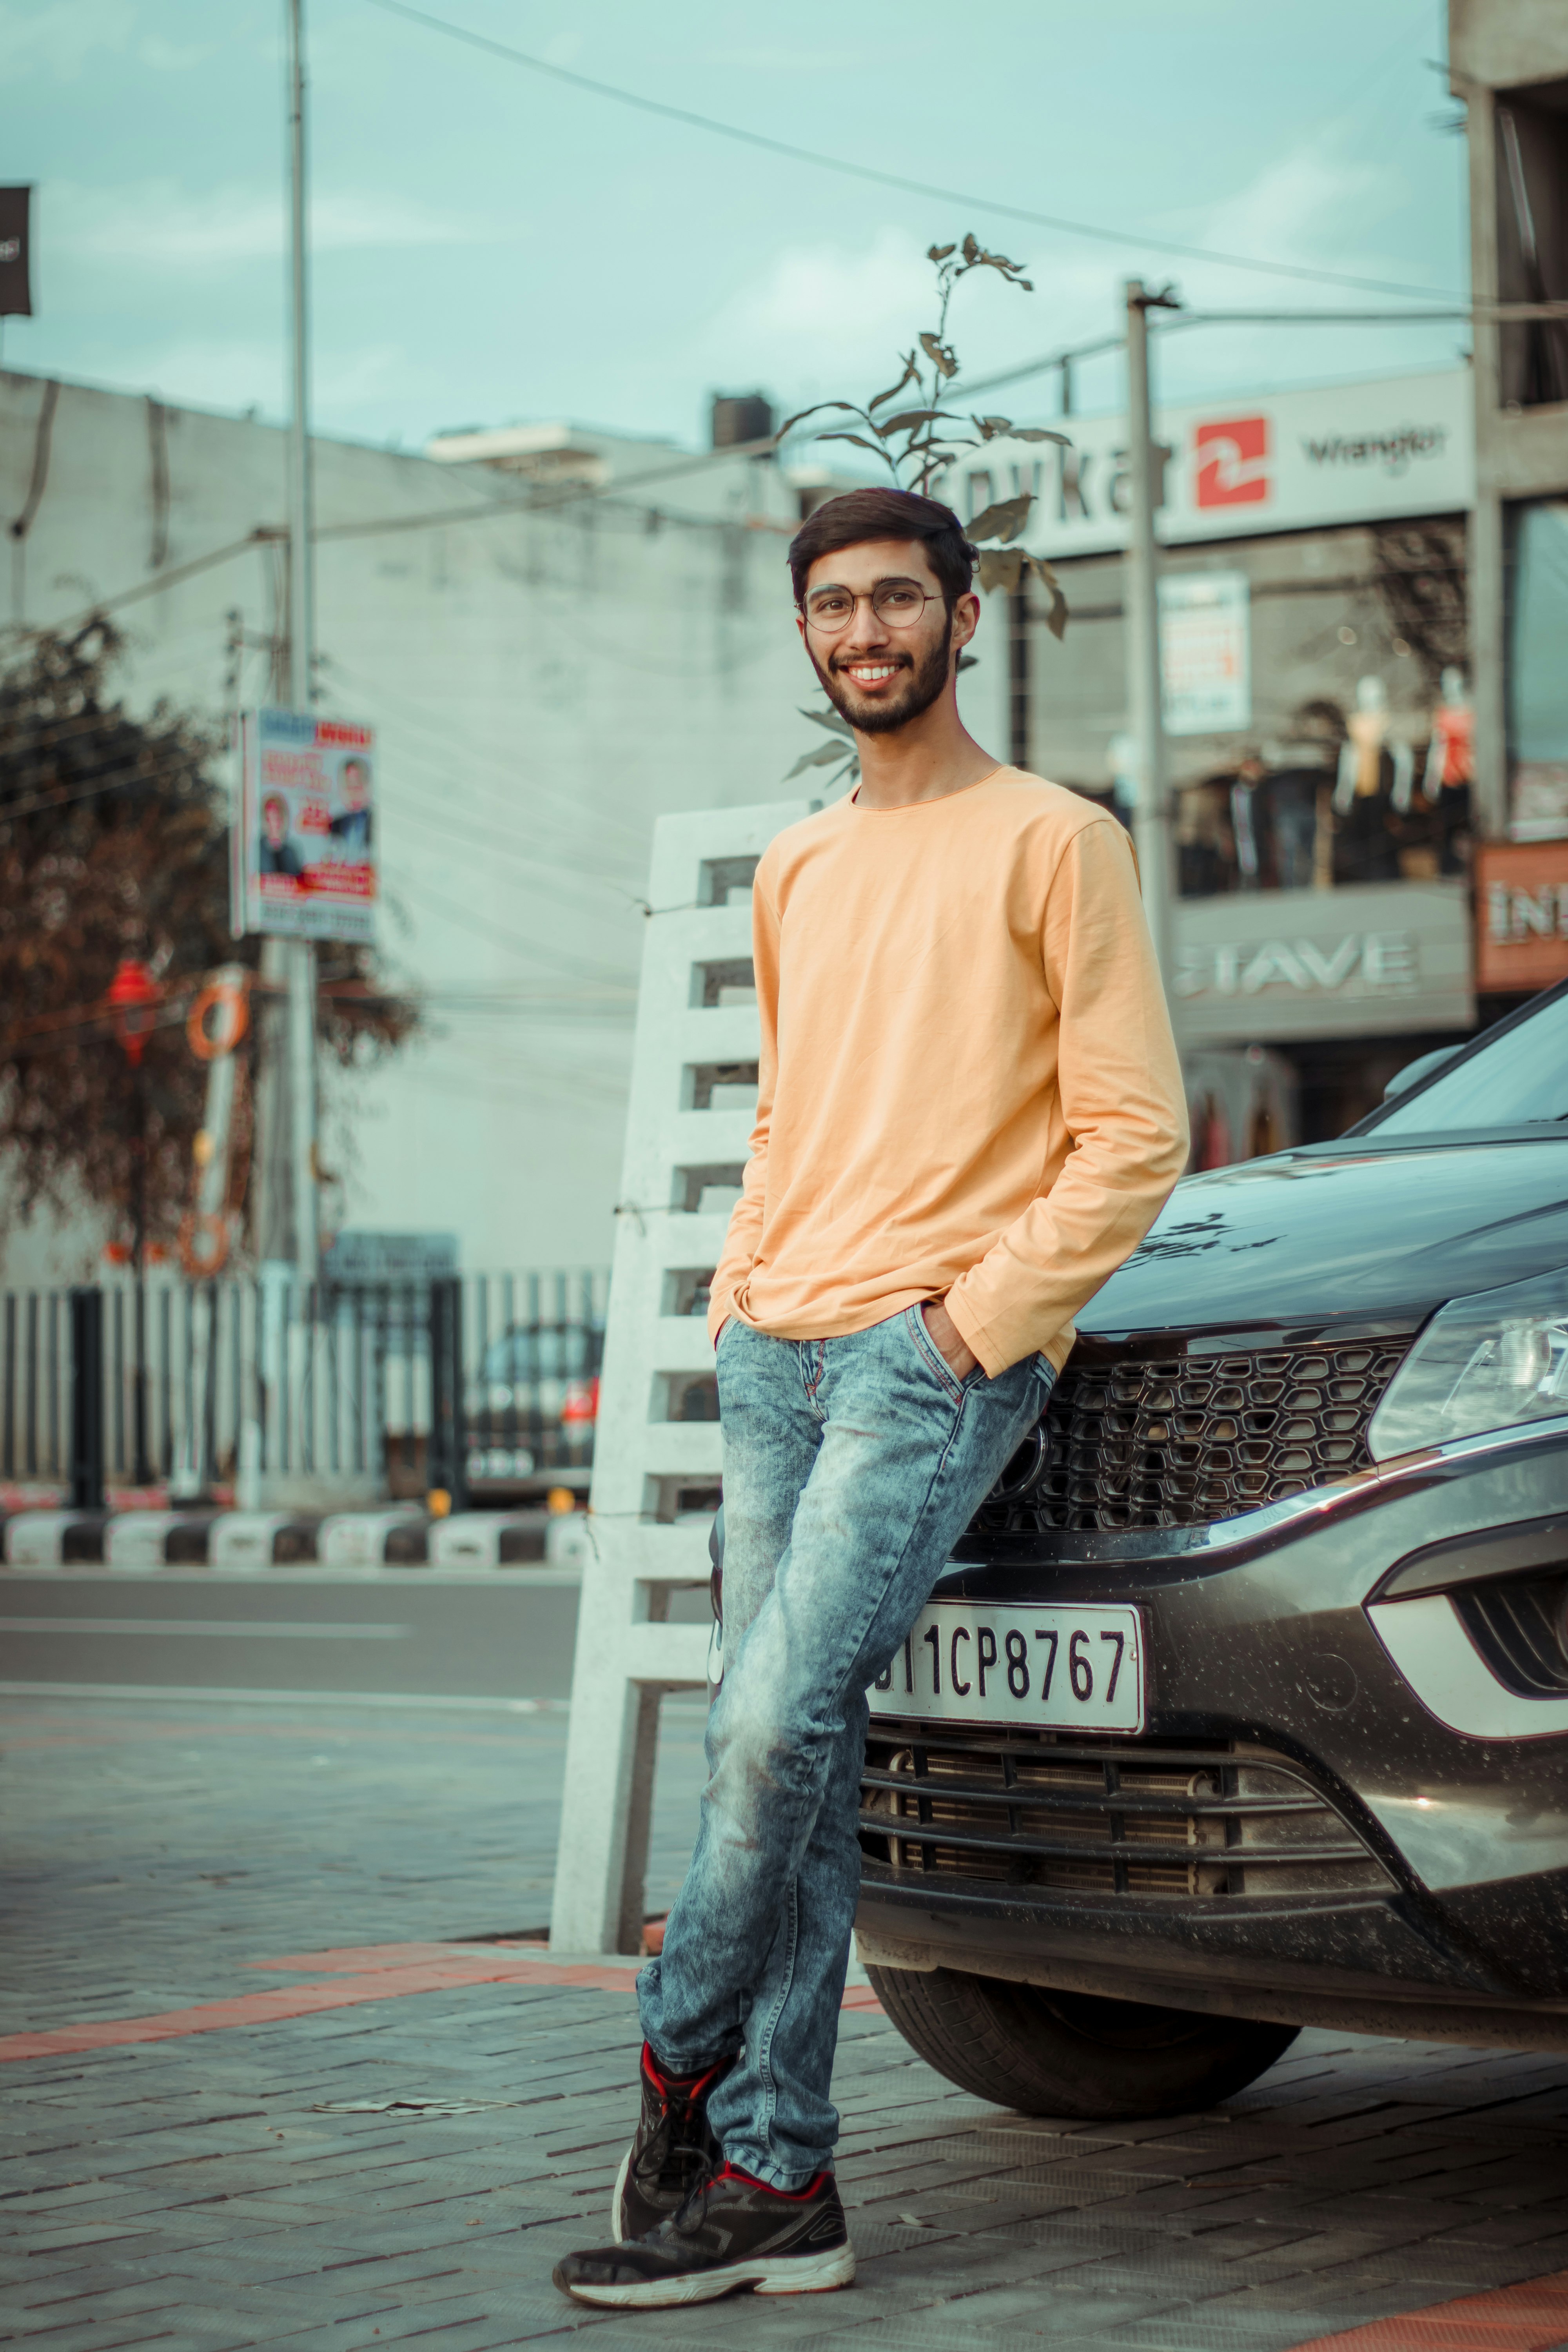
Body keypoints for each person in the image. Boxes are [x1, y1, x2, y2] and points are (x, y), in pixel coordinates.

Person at [552, 486, 1189, 2312]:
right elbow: (793, 1104)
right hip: (774, 1345)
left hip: (927, 1363)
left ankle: (672, 2052)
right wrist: (741, 1282)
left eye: (896, 599)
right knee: (797, 1747)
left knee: (762, 1732)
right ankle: (775, 2169)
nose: (862, 634)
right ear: (806, 628)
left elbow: (1132, 1131)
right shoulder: (795, 866)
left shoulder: (1059, 841)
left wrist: (969, 1322)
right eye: (831, 606)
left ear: (964, 615)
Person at [328, 755, 373, 853]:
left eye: (358, 784)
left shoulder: (376, 821)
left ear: (368, 785)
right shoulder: (335, 824)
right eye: (348, 785)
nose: (353, 792)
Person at [258, 792, 304, 878]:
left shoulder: (291, 851)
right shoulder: (258, 849)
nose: (274, 822)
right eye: (269, 817)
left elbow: (298, 879)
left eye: (276, 816)